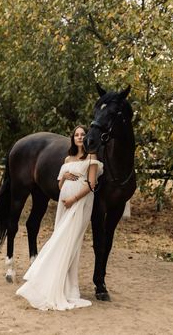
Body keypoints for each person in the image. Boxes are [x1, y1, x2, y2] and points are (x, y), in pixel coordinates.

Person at [16, 125, 103, 311]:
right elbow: (59, 182)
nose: (80, 137)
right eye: (77, 135)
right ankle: (58, 284)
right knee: (59, 237)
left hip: (79, 203)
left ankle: (66, 286)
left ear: (86, 138)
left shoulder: (91, 158)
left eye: (82, 135)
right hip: (64, 203)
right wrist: (64, 177)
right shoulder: (67, 158)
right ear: (73, 138)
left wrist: (73, 198)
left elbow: (91, 185)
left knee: (69, 242)